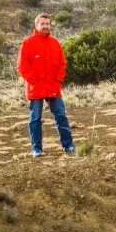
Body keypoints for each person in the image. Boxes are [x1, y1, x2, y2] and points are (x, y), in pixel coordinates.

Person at [17, 14, 75, 157]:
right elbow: (22, 65)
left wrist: (58, 79)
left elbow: (62, 64)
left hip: (53, 87)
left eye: (47, 24)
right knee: (35, 118)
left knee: (61, 115)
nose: (45, 26)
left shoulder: (55, 43)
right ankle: (36, 149)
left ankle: (68, 146)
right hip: (35, 87)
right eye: (42, 24)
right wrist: (33, 81)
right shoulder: (28, 43)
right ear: (36, 25)